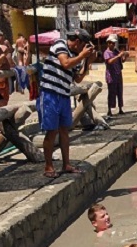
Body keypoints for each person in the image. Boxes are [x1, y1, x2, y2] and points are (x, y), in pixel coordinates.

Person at [40, 28, 96, 179]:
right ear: (78, 42)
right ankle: (48, 166)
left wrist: (87, 61)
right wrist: (83, 55)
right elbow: (65, 63)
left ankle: (66, 164)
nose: (83, 49)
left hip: (64, 95)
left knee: (65, 130)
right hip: (50, 94)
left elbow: (77, 78)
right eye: (83, 46)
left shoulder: (76, 55)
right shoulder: (60, 45)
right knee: (51, 131)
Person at [103, 35, 127, 117]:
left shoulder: (116, 51)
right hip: (111, 75)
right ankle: (109, 109)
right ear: (108, 43)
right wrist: (118, 56)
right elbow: (109, 61)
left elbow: (121, 60)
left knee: (119, 91)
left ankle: (120, 108)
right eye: (111, 43)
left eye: (113, 43)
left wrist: (124, 56)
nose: (113, 45)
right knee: (111, 92)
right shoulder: (106, 53)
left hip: (118, 74)